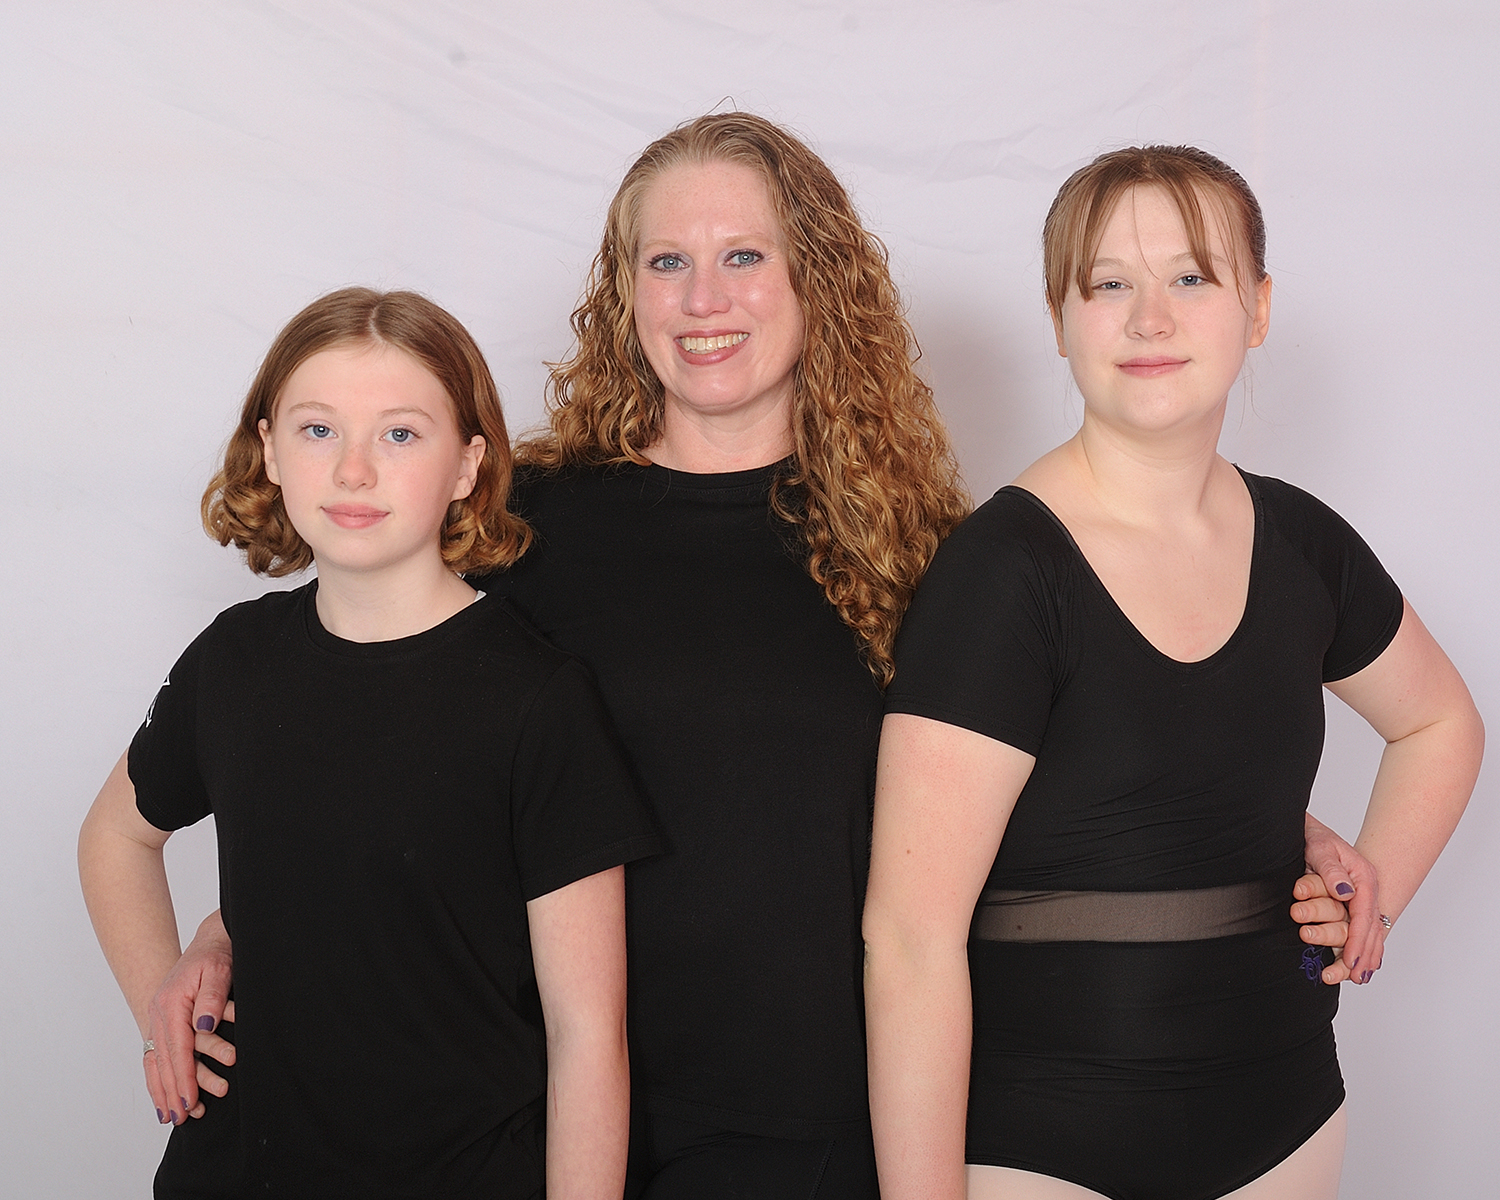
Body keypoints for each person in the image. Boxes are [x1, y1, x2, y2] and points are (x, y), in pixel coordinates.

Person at [141, 120, 1372, 1198]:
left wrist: (1278, 833)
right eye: (665, 262)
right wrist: (235, 925)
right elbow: (384, 749)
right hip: (545, 1127)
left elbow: (1018, 800)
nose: (702, 297)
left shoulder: (924, 552)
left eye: (743, 257)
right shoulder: (519, 530)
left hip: (818, 1134)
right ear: (625, 293)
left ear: (813, 281)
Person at [863, 145, 1484, 1200]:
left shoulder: (1305, 544)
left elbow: (1441, 724)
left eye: (1191, 277)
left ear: (1258, 308)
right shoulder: (1004, 573)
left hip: (1287, 1124)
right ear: (1060, 319)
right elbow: (909, 938)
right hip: (1048, 1145)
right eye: (1109, 284)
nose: (1151, 319)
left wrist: (1369, 898)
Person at [78, 288, 660, 1200]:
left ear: (467, 465)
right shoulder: (234, 660)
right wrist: (164, 1012)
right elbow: (115, 836)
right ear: (270, 449)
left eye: (399, 434)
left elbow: (587, 1035)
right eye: (318, 430)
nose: (354, 471)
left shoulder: (537, 701)